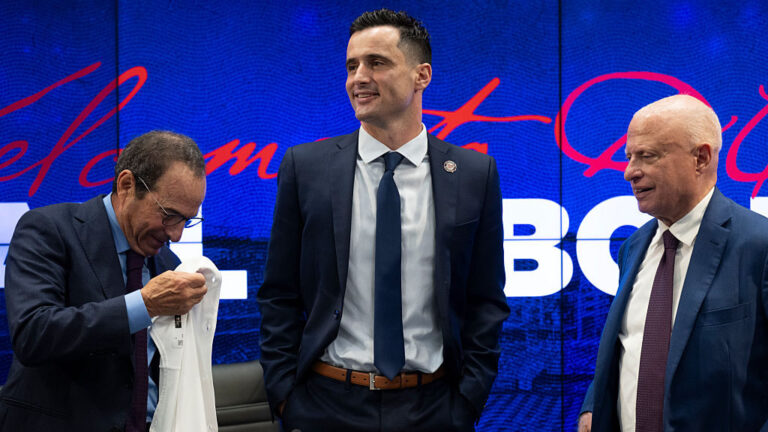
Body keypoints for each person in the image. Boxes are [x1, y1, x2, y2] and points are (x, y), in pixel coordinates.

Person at [257, 8, 509, 432]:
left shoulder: (474, 174)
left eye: (377, 63)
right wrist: (286, 397)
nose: (358, 78)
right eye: (352, 65)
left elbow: (486, 300)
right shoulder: (306, 167)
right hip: (324, 405)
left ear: (421, 75)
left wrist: (467, 401)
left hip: (434, 408)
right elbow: (279, 294)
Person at [579, 95, 768, 431]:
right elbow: (629, 347)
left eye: (647, 156)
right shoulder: (633, 247)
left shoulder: (759, 245)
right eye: (629, 157)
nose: (629, 173)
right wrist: (594, 405)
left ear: (701, 157)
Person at [0, 130, 209, 431]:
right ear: (127, 185)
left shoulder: (169, 265)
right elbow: (33, 333)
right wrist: (144, 305)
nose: (176, 234)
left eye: (186, 221)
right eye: (169, 215)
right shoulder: (49, 229)